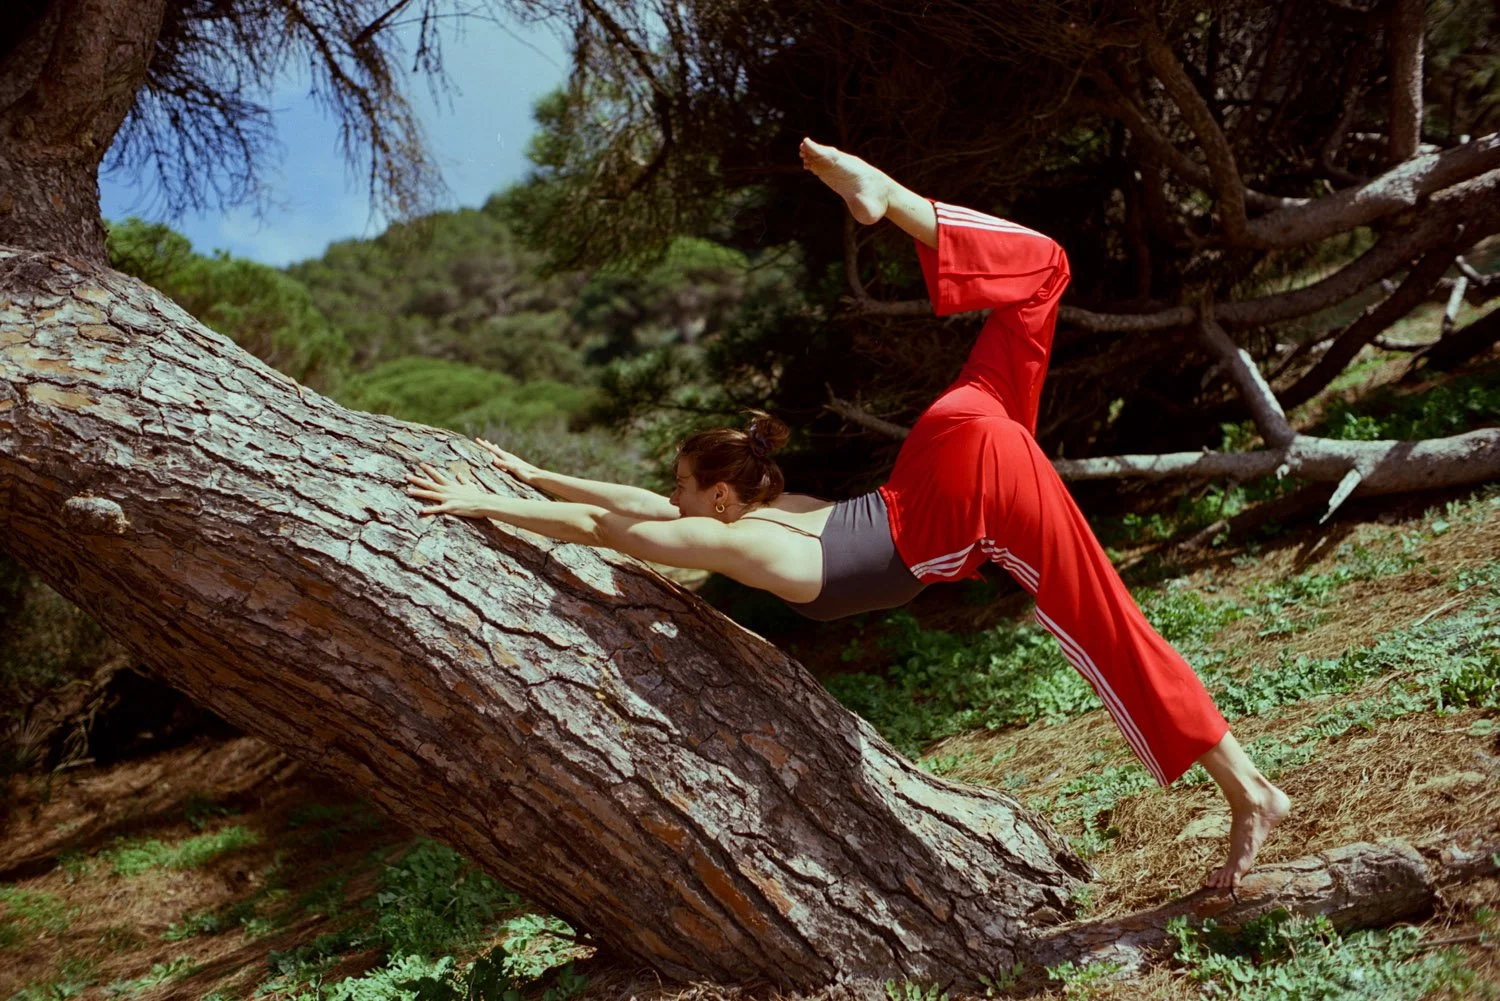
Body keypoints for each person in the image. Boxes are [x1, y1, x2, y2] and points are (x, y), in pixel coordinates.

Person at [404, 138, 1290, 889]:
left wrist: (487, 500)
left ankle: (1249, 793)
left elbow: (613, 528)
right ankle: (896, 201)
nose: (668, 504)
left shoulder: (739, 544)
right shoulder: (759, 506)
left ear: (716, 498)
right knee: (1044, 271)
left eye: (681, 490)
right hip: (958, 432)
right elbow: (633, 507)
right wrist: (534, 474)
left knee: (1104, 625)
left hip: (972, 495)